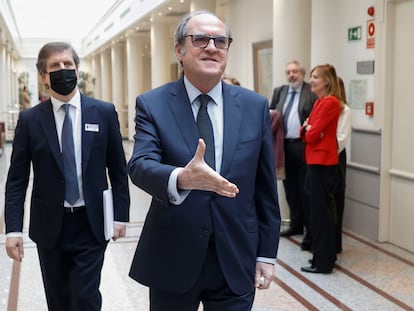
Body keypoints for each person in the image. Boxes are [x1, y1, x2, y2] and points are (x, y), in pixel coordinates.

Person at [127, 10, 281, 310]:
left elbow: (265, 189)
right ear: (179, 50)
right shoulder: (153, 104)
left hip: (236, 257)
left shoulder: (255, 106)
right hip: (172, 256)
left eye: (220, 41)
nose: (211, 47)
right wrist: (182, 178)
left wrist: (266, 254)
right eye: (200, 39)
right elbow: (140, 164)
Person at [5, 42, 130, 310]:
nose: (63, 70)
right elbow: (16, 180)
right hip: (50, 224)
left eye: (68, 65)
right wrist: (13, 230)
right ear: (43, 75)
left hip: (91, 222)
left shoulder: (103, 112)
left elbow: (118, 169)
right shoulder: (30, 121)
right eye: (55, 66)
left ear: (77, 68)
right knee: (59, 300)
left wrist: (121, 215)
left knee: (85, 297)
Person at [270, 60, 317, 250]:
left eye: (295, 71)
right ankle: (296, 224)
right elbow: (272, 114)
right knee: (290, 188)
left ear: (302, 73)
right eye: (288, 72)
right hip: (284, 146)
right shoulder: (280, 91)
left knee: (306, 188)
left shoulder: (310, 92)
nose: (291, 75)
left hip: (304, 145)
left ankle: (309, 227)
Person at [300, 64, 341, 274]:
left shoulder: (331, 103)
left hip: (323, 164)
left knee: (321, 214)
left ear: (326, 81)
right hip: (314, 161)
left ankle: (324, 262)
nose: (311, 80)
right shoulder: (319, 102)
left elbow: (311, 134)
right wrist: (308, 128)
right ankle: (320, 257)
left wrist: (310, 129)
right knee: (316, 213)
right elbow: (305, 129)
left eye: (315, 77)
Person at [334, 77, 352, 253]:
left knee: (336, 201)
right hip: (325, 157)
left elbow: (340, 140)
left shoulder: (344, 110)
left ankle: (336, 243)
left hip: (336, 158)